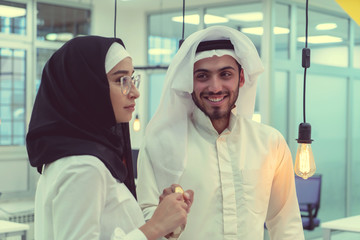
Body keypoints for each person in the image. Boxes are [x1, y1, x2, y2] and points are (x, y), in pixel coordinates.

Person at [136, 25, 305, 240]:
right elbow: (143, 222)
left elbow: (286, 225)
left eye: (225, 74)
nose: (215, 87)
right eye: (203, 76)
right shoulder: (159, 144)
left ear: (241, 78)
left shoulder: (270, 143)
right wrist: (165, 219)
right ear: (189, 81)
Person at [26, 36, 193, 240]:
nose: (134, 92)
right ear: (87, 87)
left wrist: (161, 220)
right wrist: (155, 227)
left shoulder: (79, 158)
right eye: (120, 80)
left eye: (132, 79)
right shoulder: (83, 166)